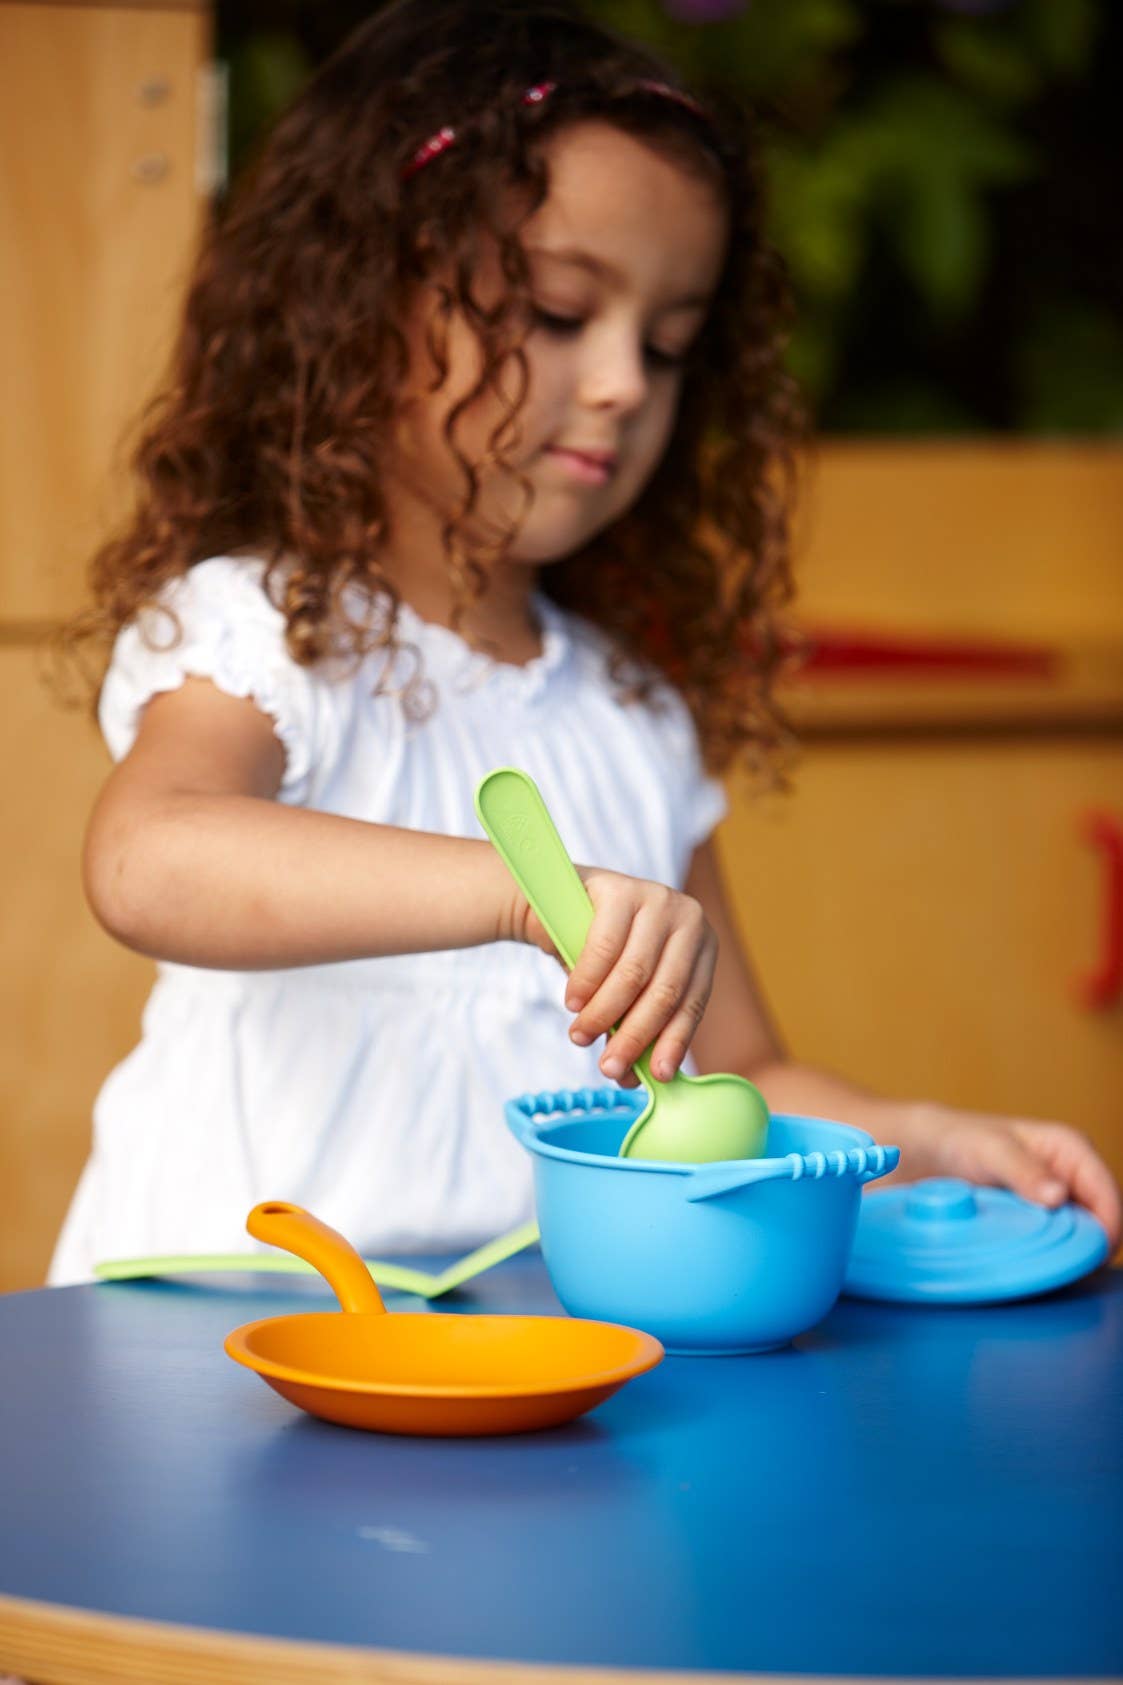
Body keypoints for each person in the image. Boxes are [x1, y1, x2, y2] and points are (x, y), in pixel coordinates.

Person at [49, 0, 1120, 1282]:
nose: (622, 382)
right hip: (217, 1319)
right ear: (363, 305)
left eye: (667, 346)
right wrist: (514, 894)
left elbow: (739, 1069)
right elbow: (149, 860)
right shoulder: (269, 628)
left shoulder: (632, 714)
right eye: (559, 312)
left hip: (508, 1338)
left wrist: (924, 1140)